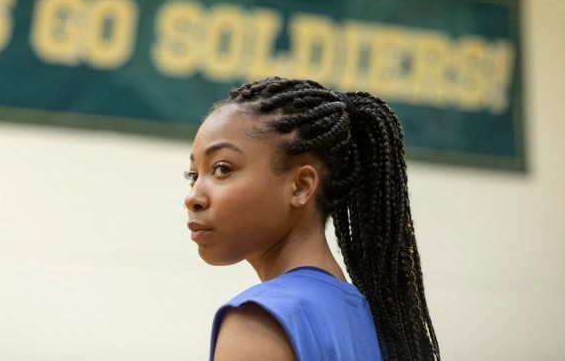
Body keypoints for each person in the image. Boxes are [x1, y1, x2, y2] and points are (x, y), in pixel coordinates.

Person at [184, 77, 441, 361]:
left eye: (222, 168)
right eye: (193, 176)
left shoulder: (258, 322)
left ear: (301, 186)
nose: (193, 197)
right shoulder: (375, 323)